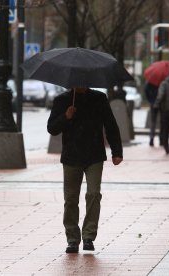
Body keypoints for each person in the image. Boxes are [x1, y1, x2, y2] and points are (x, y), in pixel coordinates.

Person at [47, 87, 123, 254]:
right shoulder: (62, 100)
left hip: (94, 155)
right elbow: (52, 128)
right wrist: (65, 117)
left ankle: (88, 236)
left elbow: (110, 124)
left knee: (94, 193)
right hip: (71, 156)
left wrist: (117, 151)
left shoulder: (99, 98)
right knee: (71, 199)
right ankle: (72, 239)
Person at [144, 82, 160, 146]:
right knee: (163, 122)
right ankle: (161, 139)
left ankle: (151, 138)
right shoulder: (163, 81)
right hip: (161, 103)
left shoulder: (151, 81)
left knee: (153, 122)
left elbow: (146, 90)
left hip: (153, 103)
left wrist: (150, 100)